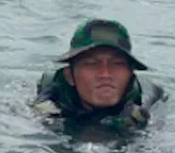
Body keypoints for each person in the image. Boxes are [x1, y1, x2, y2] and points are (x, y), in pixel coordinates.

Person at [32, 18, 166, 133]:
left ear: (131, 75)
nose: (105, 74)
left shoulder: (146, 101)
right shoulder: (51, 102)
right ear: (69, 76)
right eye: (91, 64)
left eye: (117, 63)